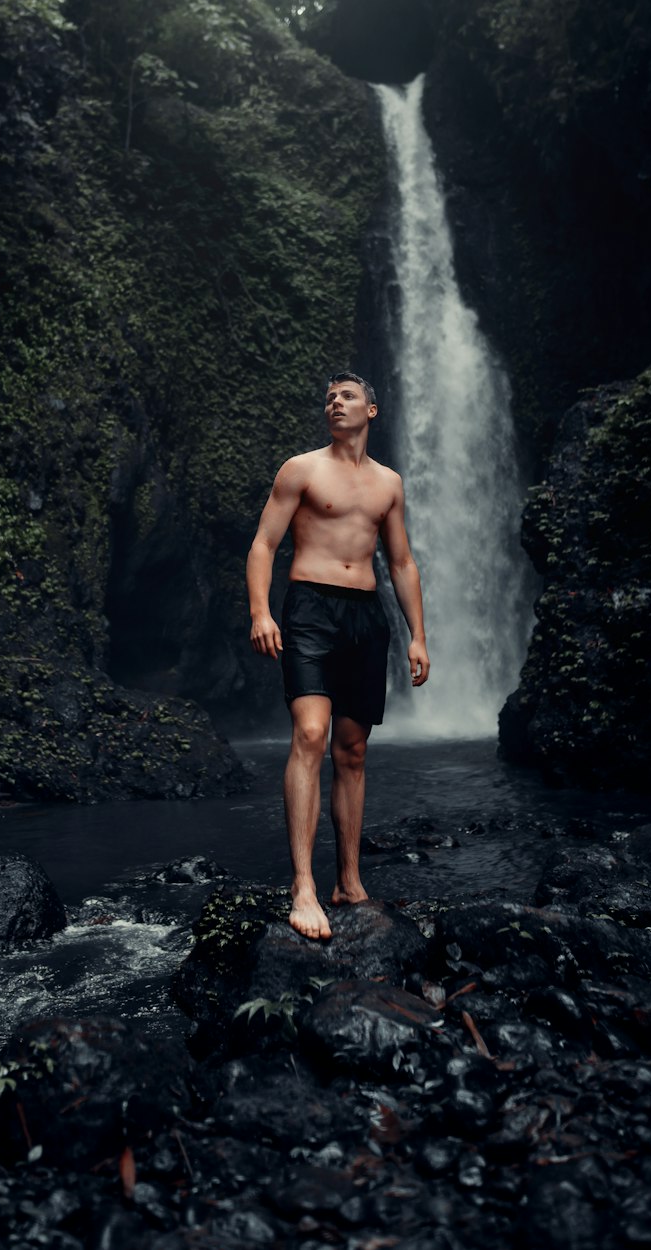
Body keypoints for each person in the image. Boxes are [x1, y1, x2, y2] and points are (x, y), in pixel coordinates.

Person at [246, 372, 429, 940]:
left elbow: (400, 563)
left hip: (366, 618)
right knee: (310, 734)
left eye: (347, 396)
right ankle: (303, 884)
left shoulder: (389, 484)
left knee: (351, 751)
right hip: (310, 609)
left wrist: (418, 635)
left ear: (371, 410)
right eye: (329, 396)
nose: (335, 402)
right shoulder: (301, 470)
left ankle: (348, 881)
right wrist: (261, 612)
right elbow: (264, 545)